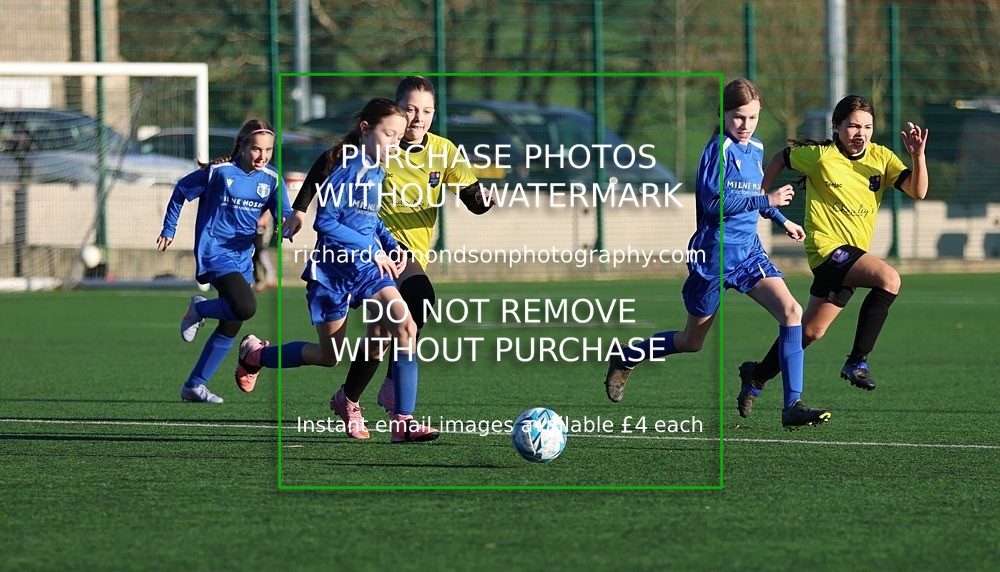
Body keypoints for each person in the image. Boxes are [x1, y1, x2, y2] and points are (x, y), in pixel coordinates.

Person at [603, 78, 831, 429]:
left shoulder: (754, 149)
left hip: (748, 255)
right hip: (712, 256)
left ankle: (792, 405)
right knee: (691, 341)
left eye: (753, 118)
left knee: (791, 311)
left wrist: (780, 218)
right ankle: (628, 355)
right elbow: (713, 205)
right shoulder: (717, 150)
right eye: (739, 117)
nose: (746, 125)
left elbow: (754, 197)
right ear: (724, 114)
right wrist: (764, 201)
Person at [289, 76, 494, 428]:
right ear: (399, 110)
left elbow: (472, 197)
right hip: (367, 251)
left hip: (403, 251)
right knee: (394, 323)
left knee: (391, 328)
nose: (418, 117)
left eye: (427, 111)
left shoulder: (444, 151)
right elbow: (326, 166)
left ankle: (363, 399)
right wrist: (299, 209)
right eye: (412, 109)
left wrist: (484, 201)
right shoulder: (378, 147)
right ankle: (387, 401)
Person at [238, 97, 440, 443]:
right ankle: (255, 355)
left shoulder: (376, 169)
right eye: (389, 135)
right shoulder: (349, 169)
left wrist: (391, 247)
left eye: (399, 136)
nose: (396, 143)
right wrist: (367, 249)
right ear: (365, 130)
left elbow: (370, 218)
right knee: (327, 356)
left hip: (366, 271)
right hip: (332, 274)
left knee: (405, 325)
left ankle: (403, 422)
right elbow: (326, 222)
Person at [738, 95, 928, 400]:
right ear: (836, 126)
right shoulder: (820, 156)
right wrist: (762, 195)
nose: (860, 133)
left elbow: (918, 191)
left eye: (867, 126)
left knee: (809, 332)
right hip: (827, 251)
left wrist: (917, 157)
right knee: (889, 279)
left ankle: (756, 376)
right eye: (853, 125)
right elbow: (780, 158)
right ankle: (856, 362)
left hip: (850, 258)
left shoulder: (881, 157)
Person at [157, 119, 291, 403]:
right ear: (242, 146)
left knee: (232, 321)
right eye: (256, 149)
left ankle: (194, 386)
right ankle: (200, 309)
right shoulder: (218, 173)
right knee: (246, 306)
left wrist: (284, 222)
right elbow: (182, 190)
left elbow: (283, 209)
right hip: (215, 252)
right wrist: (169, 228)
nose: (262, 156)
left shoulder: (271, 177)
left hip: (242, 258)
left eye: (268, 150)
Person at [252, 210, 278, 292]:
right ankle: (258, 280)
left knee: (260, 250)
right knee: (254, 253)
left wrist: (264, 218)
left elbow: (269, 204)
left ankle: (271, 275)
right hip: (251, 224)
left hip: (262, 226)